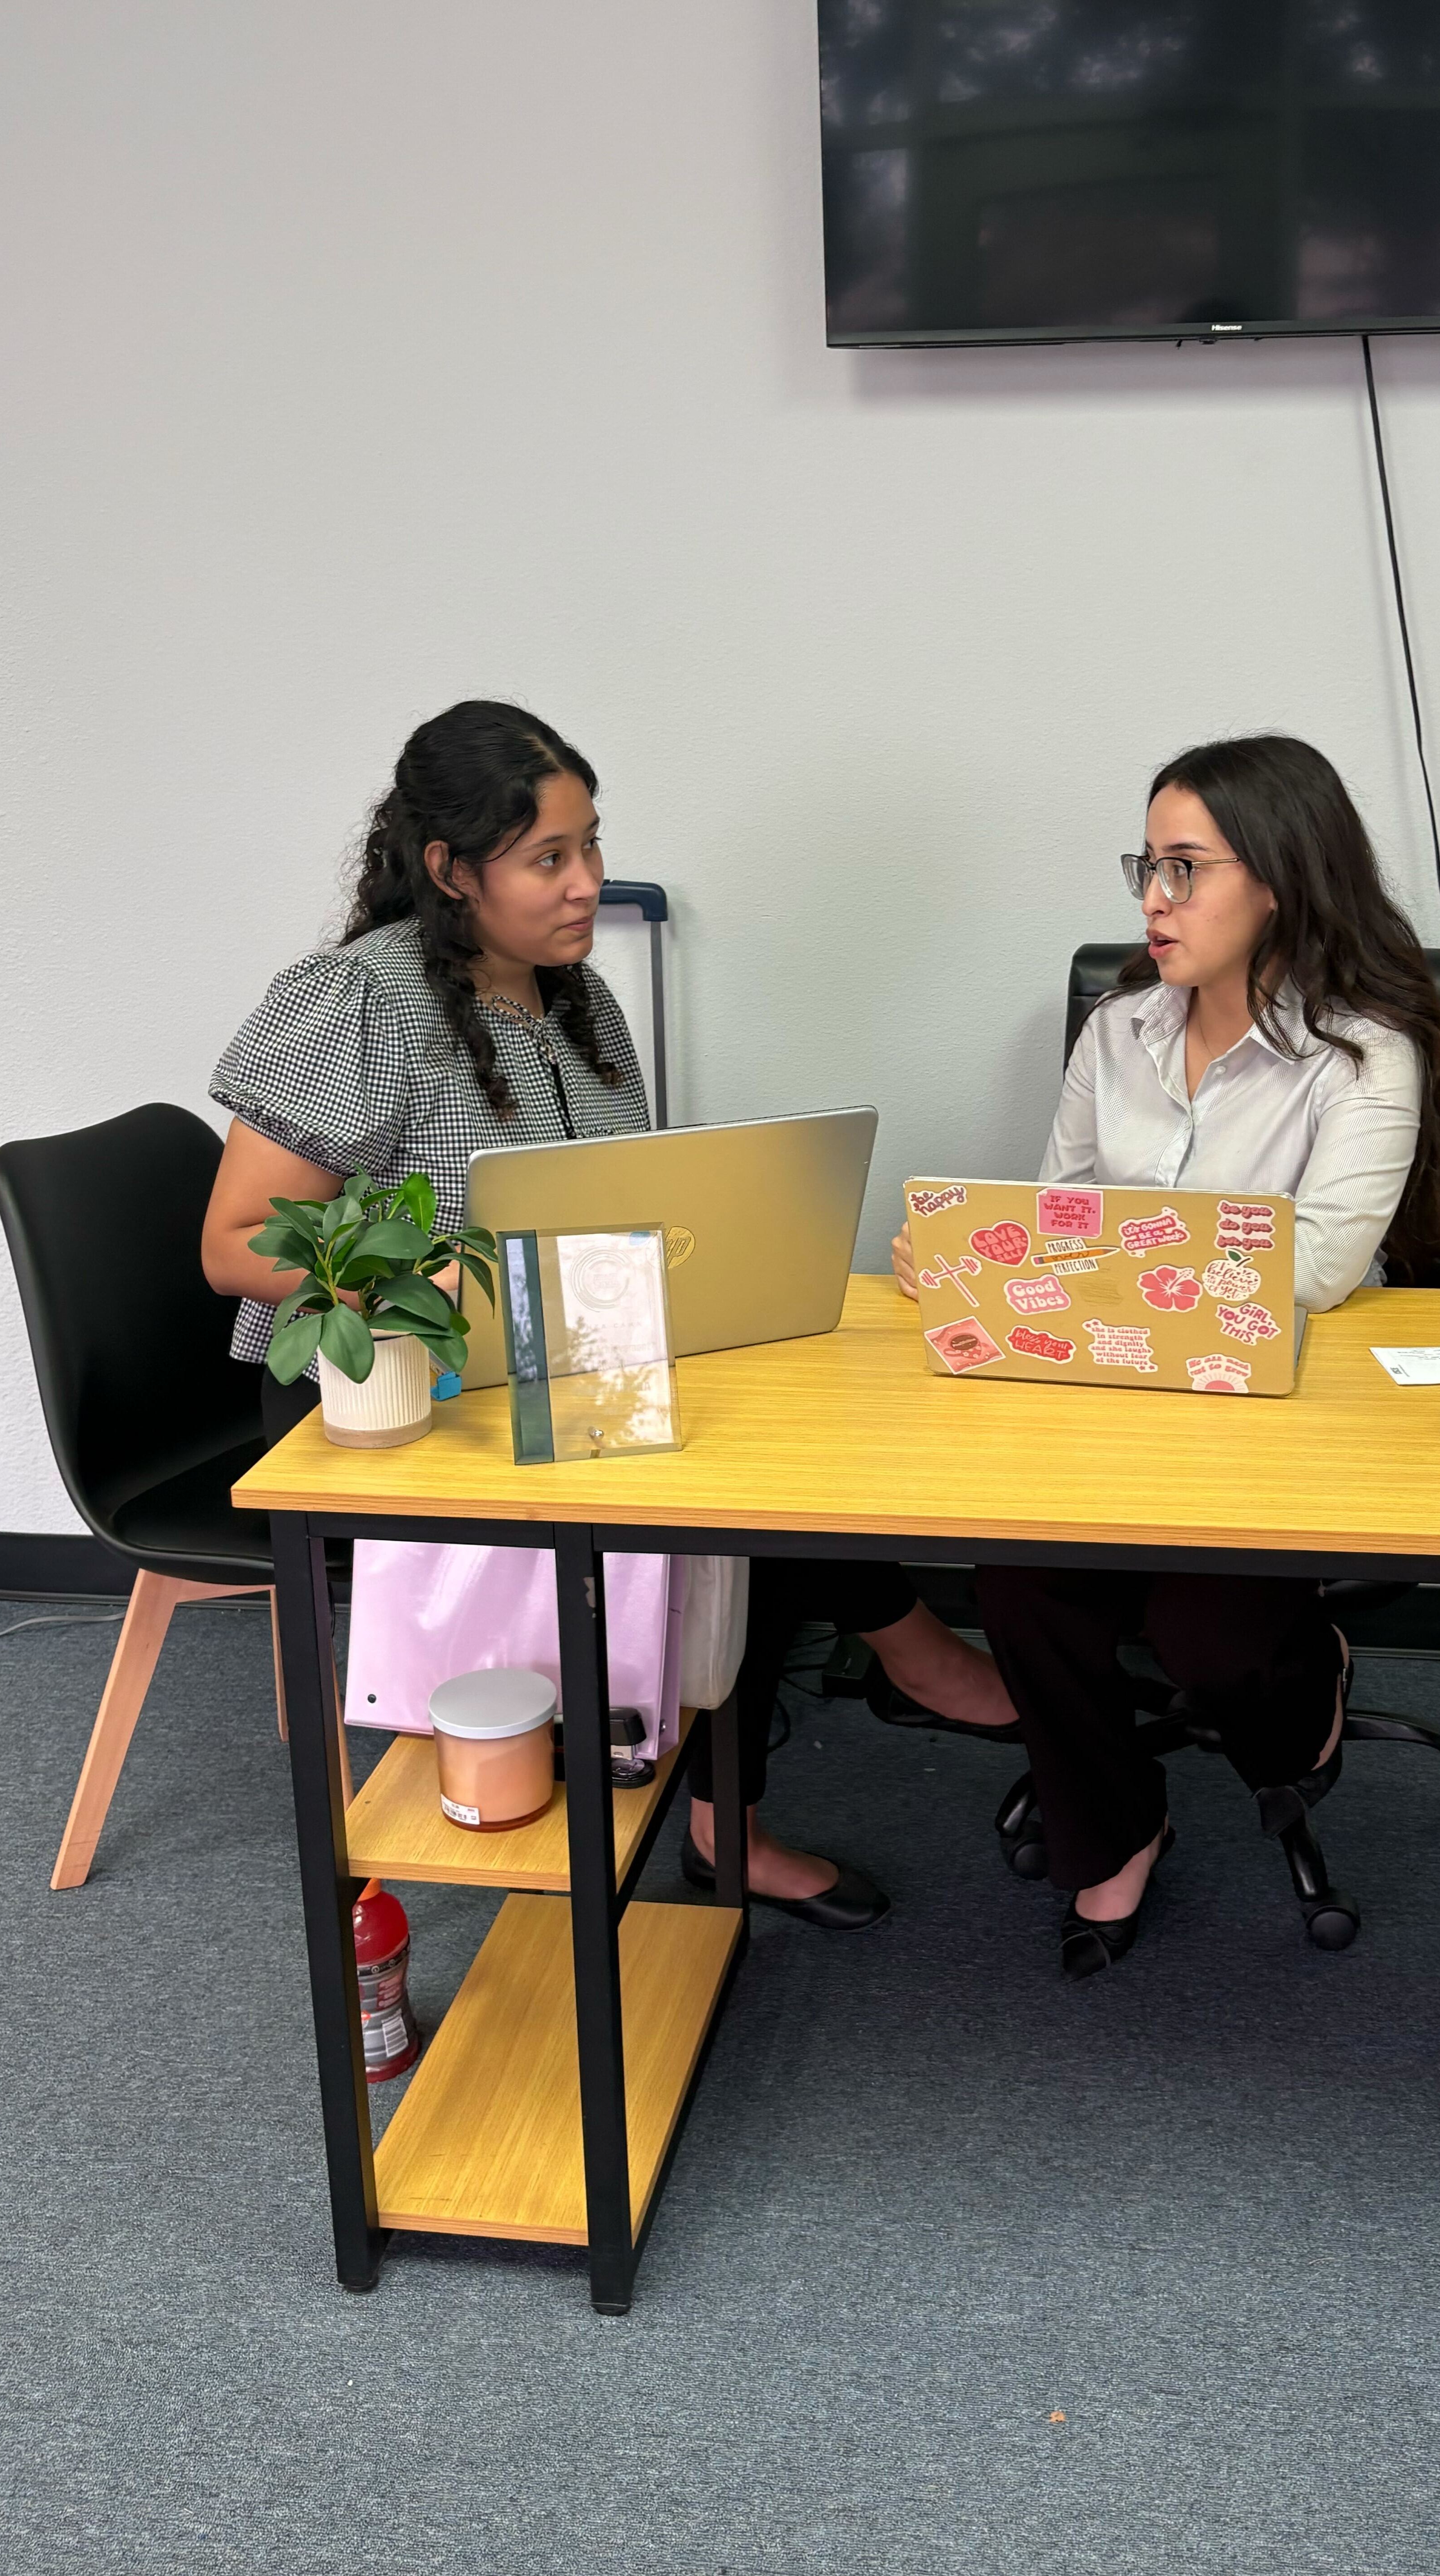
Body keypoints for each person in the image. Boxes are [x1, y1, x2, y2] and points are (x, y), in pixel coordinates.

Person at [202, 699, 1014, 1932]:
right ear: (450, 871)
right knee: (728, 1490)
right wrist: (437, 1289)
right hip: (397, 1395)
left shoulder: (575, 1002)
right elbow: (236, 1246)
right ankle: (884, 1660)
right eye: (550, 859)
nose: (587, 884)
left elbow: (609, 1207)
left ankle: (732, 1799)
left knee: (783, 1438)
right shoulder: (352, 1001)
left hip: (556, 1359)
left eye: (590, 847)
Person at [892, 734, 1440, 1976]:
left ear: (1275, 877)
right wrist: (975, 1264)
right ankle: (1113, 1827)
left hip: (1277, 1415)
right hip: (1111, 1400)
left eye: (1184, 868)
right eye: (1144, 867)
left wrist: (1075, 1260)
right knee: (1019, 1588)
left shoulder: (1361, 1053)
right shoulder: (1116, 1035)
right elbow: (1059, 1211)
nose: (1152, 901)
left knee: (1207, 1628)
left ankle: (1308, 1672)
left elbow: (1316, 1270)